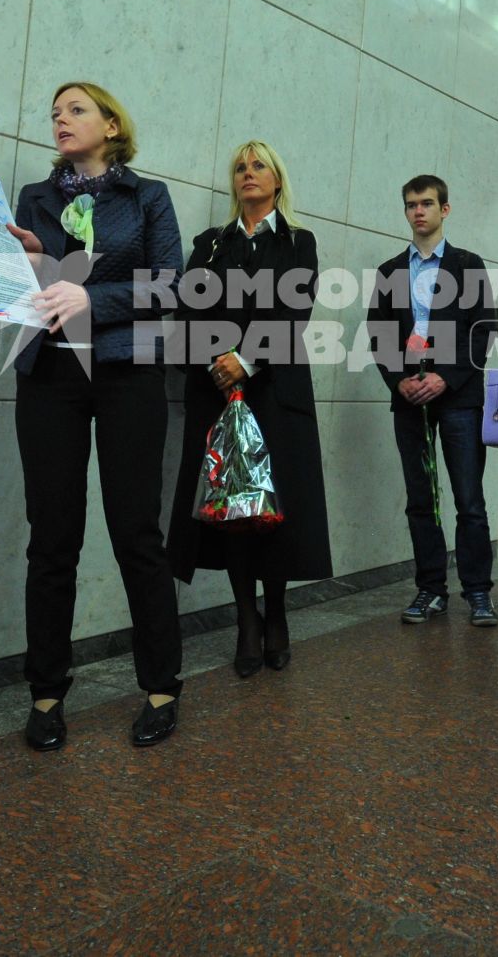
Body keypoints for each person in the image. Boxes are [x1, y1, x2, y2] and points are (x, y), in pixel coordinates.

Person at [5, 82, 184, 750]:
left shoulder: (148, 196)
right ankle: (46, 692)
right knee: (52, 534)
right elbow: (33, 291)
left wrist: (87, 298)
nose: (61, 117)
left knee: (137, 529)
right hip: (49, 371)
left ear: (112, 123)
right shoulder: (35, 198)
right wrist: (23, 269)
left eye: (76, 108)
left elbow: (170, 283)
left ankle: (161, 683)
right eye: (56, 110)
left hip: (127, 370)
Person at [168, 141, 333, 678]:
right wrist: (220, 359)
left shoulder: (298, 242)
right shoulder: (211, 245)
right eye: (240, 167)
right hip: (217, 390)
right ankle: (245, 619)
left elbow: (295, 308)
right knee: (231, 512)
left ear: (278, 179)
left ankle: (277, 613)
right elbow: (188, 310)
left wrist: (247, 358)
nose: (248, 174)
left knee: (272, 511)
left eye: (259, 165)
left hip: (273, 391)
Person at [367, 176, 498, 625]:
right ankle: (430, 589)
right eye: (410, 205)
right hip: (409, 399)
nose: (418, 211)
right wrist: (398, 382)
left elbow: (483, 330)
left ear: (445, 209)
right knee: (421, 499)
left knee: (469, 499)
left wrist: (446, 377)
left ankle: (478, 592)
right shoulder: (390, 272)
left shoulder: (468, 264)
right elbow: (379, 335)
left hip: (459, 398)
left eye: (426, 204)